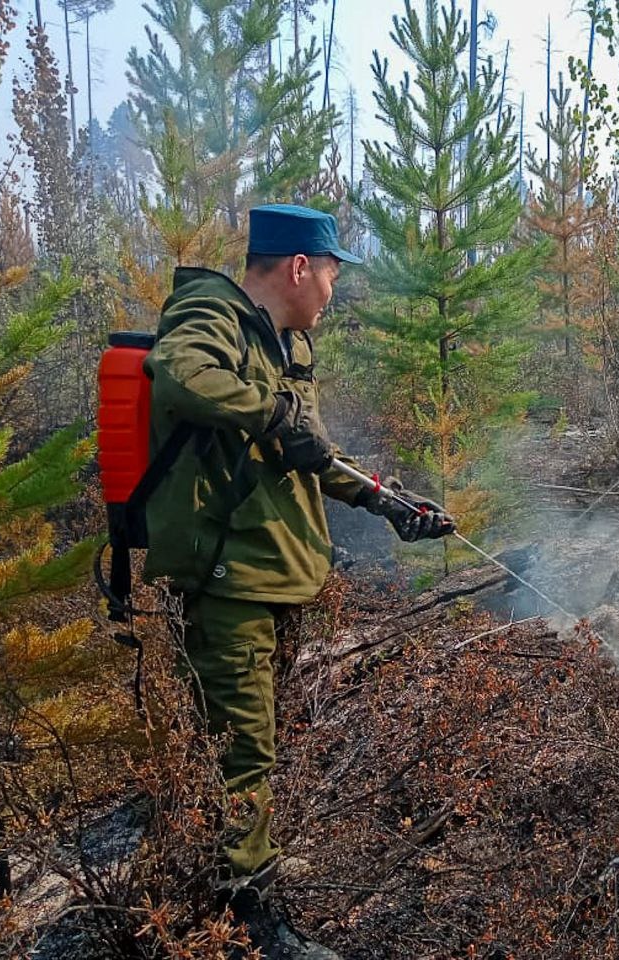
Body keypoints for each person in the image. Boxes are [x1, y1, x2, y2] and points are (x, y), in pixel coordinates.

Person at [143, 203, 454, 956]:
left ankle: (247, 864)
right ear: (298, 268)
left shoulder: (282, 344)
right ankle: (242, 920)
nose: (333, 294)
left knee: (257, 742)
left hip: (271, 576)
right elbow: (178, 374)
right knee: (242, 752)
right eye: (333, 276)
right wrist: (271, 416)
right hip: (230, 583)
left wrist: (385, 501)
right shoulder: (208, 312)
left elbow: (304, 448)